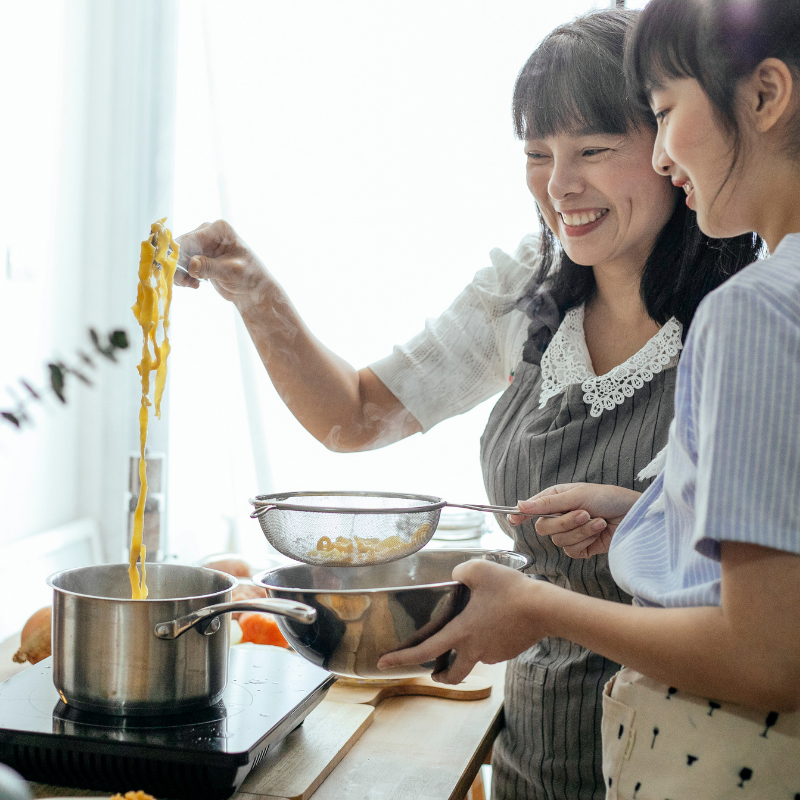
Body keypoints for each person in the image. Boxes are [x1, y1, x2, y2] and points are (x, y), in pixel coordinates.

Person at [175, 10, 758, 799]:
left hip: (695, 764)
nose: (559, 186)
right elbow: (356, 415)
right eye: (536, 155)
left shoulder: (749, 315)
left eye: (592, 150)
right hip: (533, 755)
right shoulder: (525, 289)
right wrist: (254, 291)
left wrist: (631, 527)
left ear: (668, 146)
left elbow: (764, 618)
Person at [379, 0, 800, 797]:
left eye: (665, 112)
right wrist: (649, 517)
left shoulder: (754, 308)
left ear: (765, 95)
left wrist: (540, 607)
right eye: (537, 153)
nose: (667, 155)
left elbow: (769, 655)